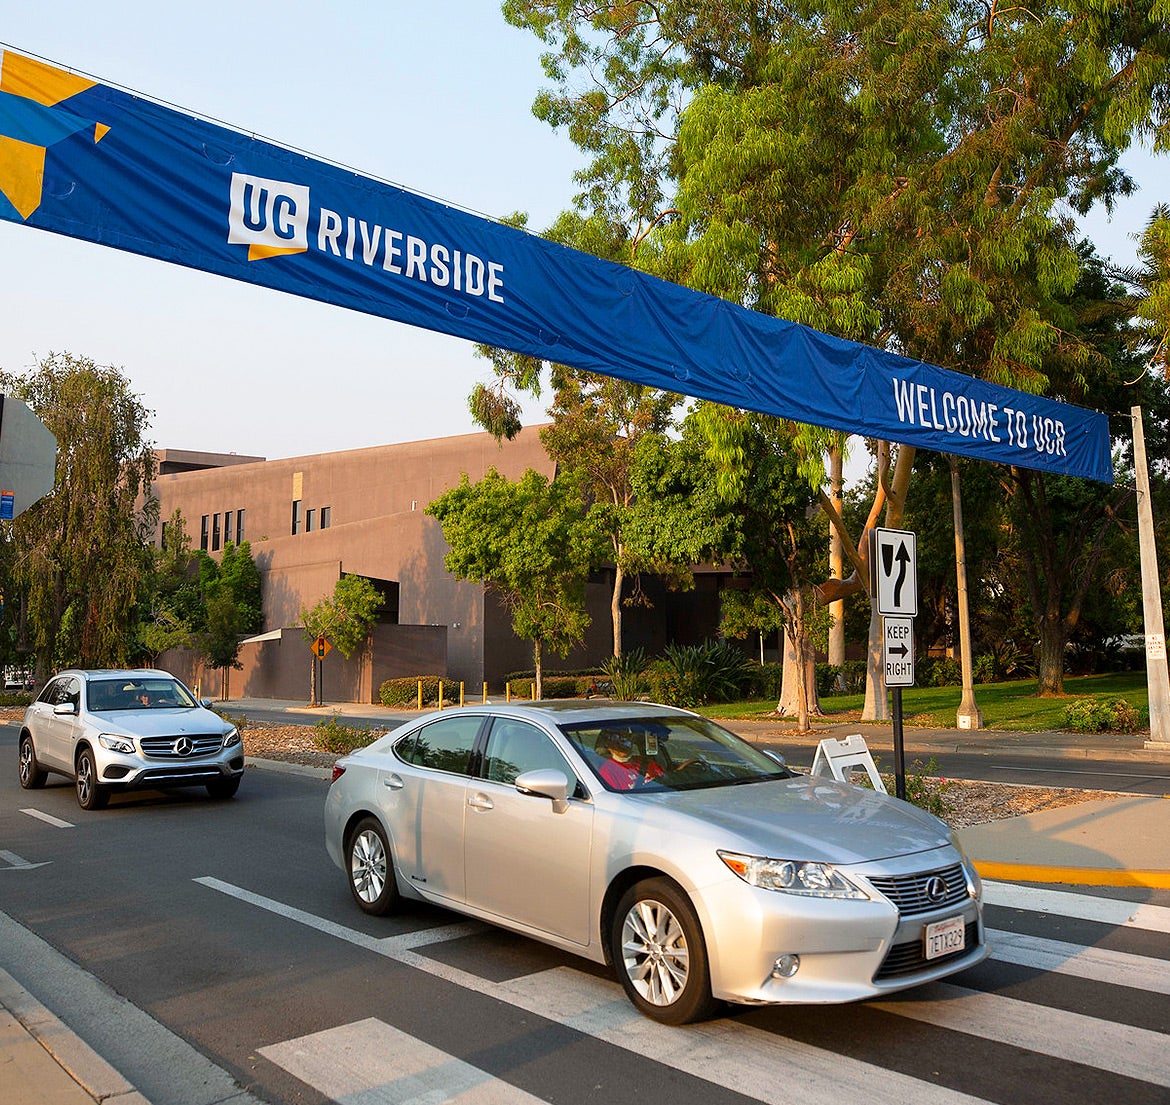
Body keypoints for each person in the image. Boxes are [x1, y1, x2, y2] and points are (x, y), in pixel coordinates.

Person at [595, 728, 663, 791]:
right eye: (617, 739)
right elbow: (617, 799)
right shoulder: (607, 772)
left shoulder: (645, 761)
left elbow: (666, 779)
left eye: (626, 738)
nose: (624, 742)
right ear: (608, 745)